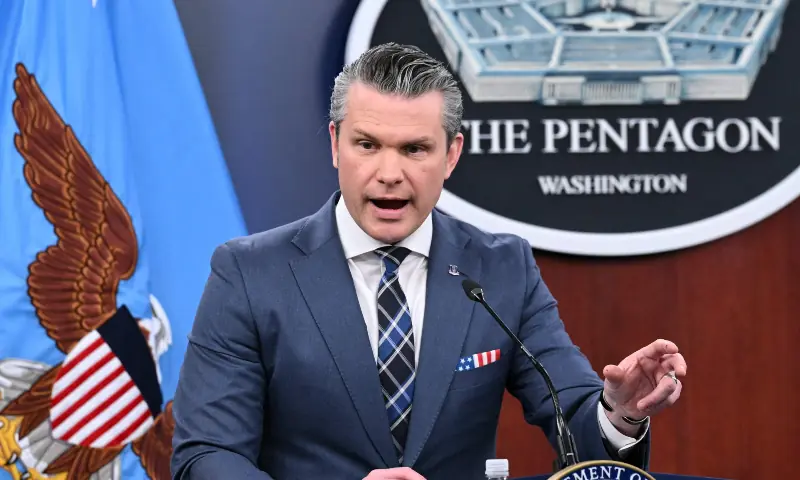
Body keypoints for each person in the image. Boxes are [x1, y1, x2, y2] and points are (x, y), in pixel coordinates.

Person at [170, 43, 686, 480]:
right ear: (335, 144)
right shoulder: (249, 274)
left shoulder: (500, 267)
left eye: (415, 149)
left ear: (451, 154)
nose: (388, 172)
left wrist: (617, 413)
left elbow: (573, 418)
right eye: (367, 145)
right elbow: (206, 456)